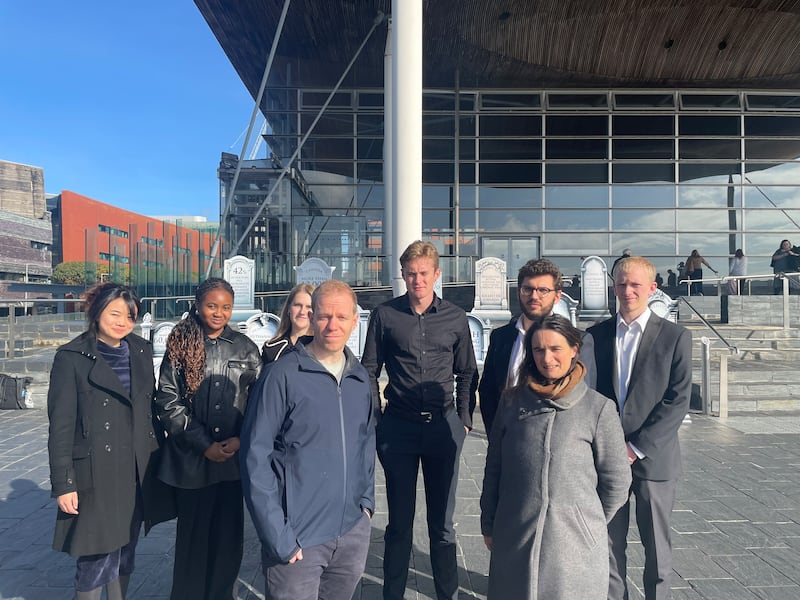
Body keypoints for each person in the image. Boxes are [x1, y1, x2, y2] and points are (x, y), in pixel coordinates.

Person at [480, 315, 631, 600]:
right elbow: (494, 467)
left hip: (574, 549)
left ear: (575, 349)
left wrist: (586, 521)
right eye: (538, 350)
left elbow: (617, 481)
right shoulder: (512, 402)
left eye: (555, 348)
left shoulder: (598, 409)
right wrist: (489, 522)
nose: (547, 358)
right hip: (515, 538)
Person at [241, 280, 375, 600]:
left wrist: (366, 507)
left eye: (342, 317)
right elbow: (254, 455)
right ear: (312, 318)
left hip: (350, 533)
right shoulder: (282, 375)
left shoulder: (359, 379)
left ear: (355, 321)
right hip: (297, 538)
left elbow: (366, 442)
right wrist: (277, 534)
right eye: (325, 316)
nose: (333, 325)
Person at [361, 240, 477, 600]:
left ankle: (448, 594)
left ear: (436, 274)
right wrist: (376, 418)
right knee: (398, 524)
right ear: (403, 275)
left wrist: (463, 419)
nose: (417, 280)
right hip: (399, 429)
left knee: (442, 525)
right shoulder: (385, 315)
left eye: (424, 273)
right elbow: (368, 370)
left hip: (443, 429)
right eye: (410, 274)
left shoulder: (455, 318)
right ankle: (392, 594)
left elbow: (467, 372)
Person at [47, 283, 161, 600]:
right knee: (96, 556)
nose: (122, 321)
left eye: (130, 315)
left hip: (135, 469)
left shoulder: (139, 349)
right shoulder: (71, 357)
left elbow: (147, 408)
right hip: (95, 472)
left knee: (126, 548)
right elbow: (61, 425)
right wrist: (63, 483)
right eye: (114, 313)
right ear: (97, 312)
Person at [588, 257, 692, 600]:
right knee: (608, 547)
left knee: (657, 551)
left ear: (652, 288)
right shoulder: (595, 336)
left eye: (635, 285)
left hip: (653, 461)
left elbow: (677, 401)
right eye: (621, 284)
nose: (627, 291)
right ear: (613, 286)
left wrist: (635, 448)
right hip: (606, 461)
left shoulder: (676, 337)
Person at [154, 277, 261, 600]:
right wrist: (203, 444)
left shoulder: (245, 348)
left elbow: (258, 403)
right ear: (198, 305)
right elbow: (167, 400)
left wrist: (241, 439)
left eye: (226, 307)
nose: (219, 313)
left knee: (228, 541)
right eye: (212, 305)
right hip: (192, 461)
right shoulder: (181, 341)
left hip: (231, 463)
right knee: (193, 540)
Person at [478, 258, 597, 435]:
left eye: (543, 290)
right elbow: (488, 390)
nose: (534, 296)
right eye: (528, 289)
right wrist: (495, 434)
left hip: (555, 442)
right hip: (506, 440)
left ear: (557, 296)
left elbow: (584, 398)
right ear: (519, 291)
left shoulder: (577, 340)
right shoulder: (501, 337)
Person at [261, 282, 314, 364]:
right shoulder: (272, 349)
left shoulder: (322, 347)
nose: (302, 312)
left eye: (309, 307)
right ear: (289, 308)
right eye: (297, 305)